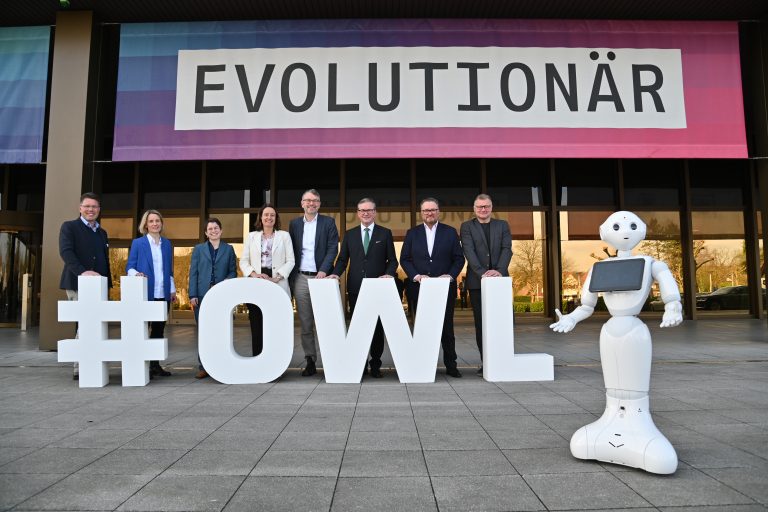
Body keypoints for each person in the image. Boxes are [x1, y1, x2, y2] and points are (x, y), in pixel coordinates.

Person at [329, 198, 398, 378]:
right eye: (362, 210)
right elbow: (343, 259)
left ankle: (375, 364)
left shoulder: (385, 233)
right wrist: (336, 273)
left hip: (378, 288)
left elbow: (392, 260)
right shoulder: (349, 235)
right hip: (356, 288)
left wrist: (389, 273)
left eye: (369, 210)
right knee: (357, 327)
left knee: (377, 328)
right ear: (358, 213)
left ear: (375, 212)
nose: (365, 213)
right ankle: (358, 364)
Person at [400, 197, 465, 378]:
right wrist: (416, 275)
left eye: (433, 210)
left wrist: (450, 275)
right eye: (426, 210)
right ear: (421, 213)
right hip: (419, 289)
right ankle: (421, 364)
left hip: (444, 289)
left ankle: (451, 365)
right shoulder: (412, 233)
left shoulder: (450, 232)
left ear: (438, 211)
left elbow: (459, 258)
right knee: (421, 328)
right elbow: (405, 258)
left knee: (447, 328)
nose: (430, 213)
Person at [59, 192, 112, 380]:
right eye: (87, 206)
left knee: (95, 324)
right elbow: (66, 252)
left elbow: (105, 261)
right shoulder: (69, 227)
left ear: (99, 210)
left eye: (95, 207)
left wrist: (108, 284)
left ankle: (91, 360)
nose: (91, 210)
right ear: (80, 208)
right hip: (77, 284)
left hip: (99, 286)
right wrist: (83, 272)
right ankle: (79, 367)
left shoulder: (101, 232)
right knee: (86, 323)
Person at [460, 193, 512, 375]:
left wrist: (499, 271)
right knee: (481, 324)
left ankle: (504, 360)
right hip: (477, 282)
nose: (483, 209)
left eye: (486, 206)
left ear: (491, 207)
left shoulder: (503, 225)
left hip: (501, 282)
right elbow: (469, 251)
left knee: (503, 323)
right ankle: (487, 363)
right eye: (480, 207)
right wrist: (483, 273)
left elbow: (507, 249)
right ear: (474, 209)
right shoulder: (466, 227)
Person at [289, 189, 339, 376]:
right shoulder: (294, 224)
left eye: (315, 200)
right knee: (306, 322)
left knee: (326, 320)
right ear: (302, 203)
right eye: (308, 200)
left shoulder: (328, 222)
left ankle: (332, 359)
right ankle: (310, 360)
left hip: (322, 277)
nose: (312, 203)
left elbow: (333, 247)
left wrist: (324, 270)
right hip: (301, 278)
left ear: (319, 204)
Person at [240, 204, 295, 359]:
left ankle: (275, 360)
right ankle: (257, 358)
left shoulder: (284, 236)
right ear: (261, 218)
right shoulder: (251, 236)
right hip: (256, 283)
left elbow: (290, 261)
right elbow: (244, 261)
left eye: (272, 215)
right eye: (266, 215)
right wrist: (255, 275)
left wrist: (276, 277)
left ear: (276, 218)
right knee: (257, 323)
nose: (269, 217)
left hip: (277, 282)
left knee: (275, 324)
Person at [126, 209, 176, 378]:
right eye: (151, 221)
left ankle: (154, 365)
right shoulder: (138, 243)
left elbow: (169, 269)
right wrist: (136, 274)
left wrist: (172, 289)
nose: (155, 224)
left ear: (161, 223)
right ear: (145, 225)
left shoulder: (167, 244)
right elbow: (130, 267)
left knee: (158, 330)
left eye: (157, 221)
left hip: (163, 293)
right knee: (142, 329)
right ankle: (141, 364)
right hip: (146, 292)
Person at [189, 218, 237, 379]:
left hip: (221, 296)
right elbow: (193, 273)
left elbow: (233, 272)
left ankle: (221, 363)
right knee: (204, 332)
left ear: (221, 230)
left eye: (216, 228)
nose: (213, 231)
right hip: (201, 296)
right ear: (206, 233)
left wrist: (225, 282)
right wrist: (192, 294)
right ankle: (203, 366)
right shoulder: (198, 249)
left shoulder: (229, 249)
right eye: (210, 229)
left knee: (221, 330)